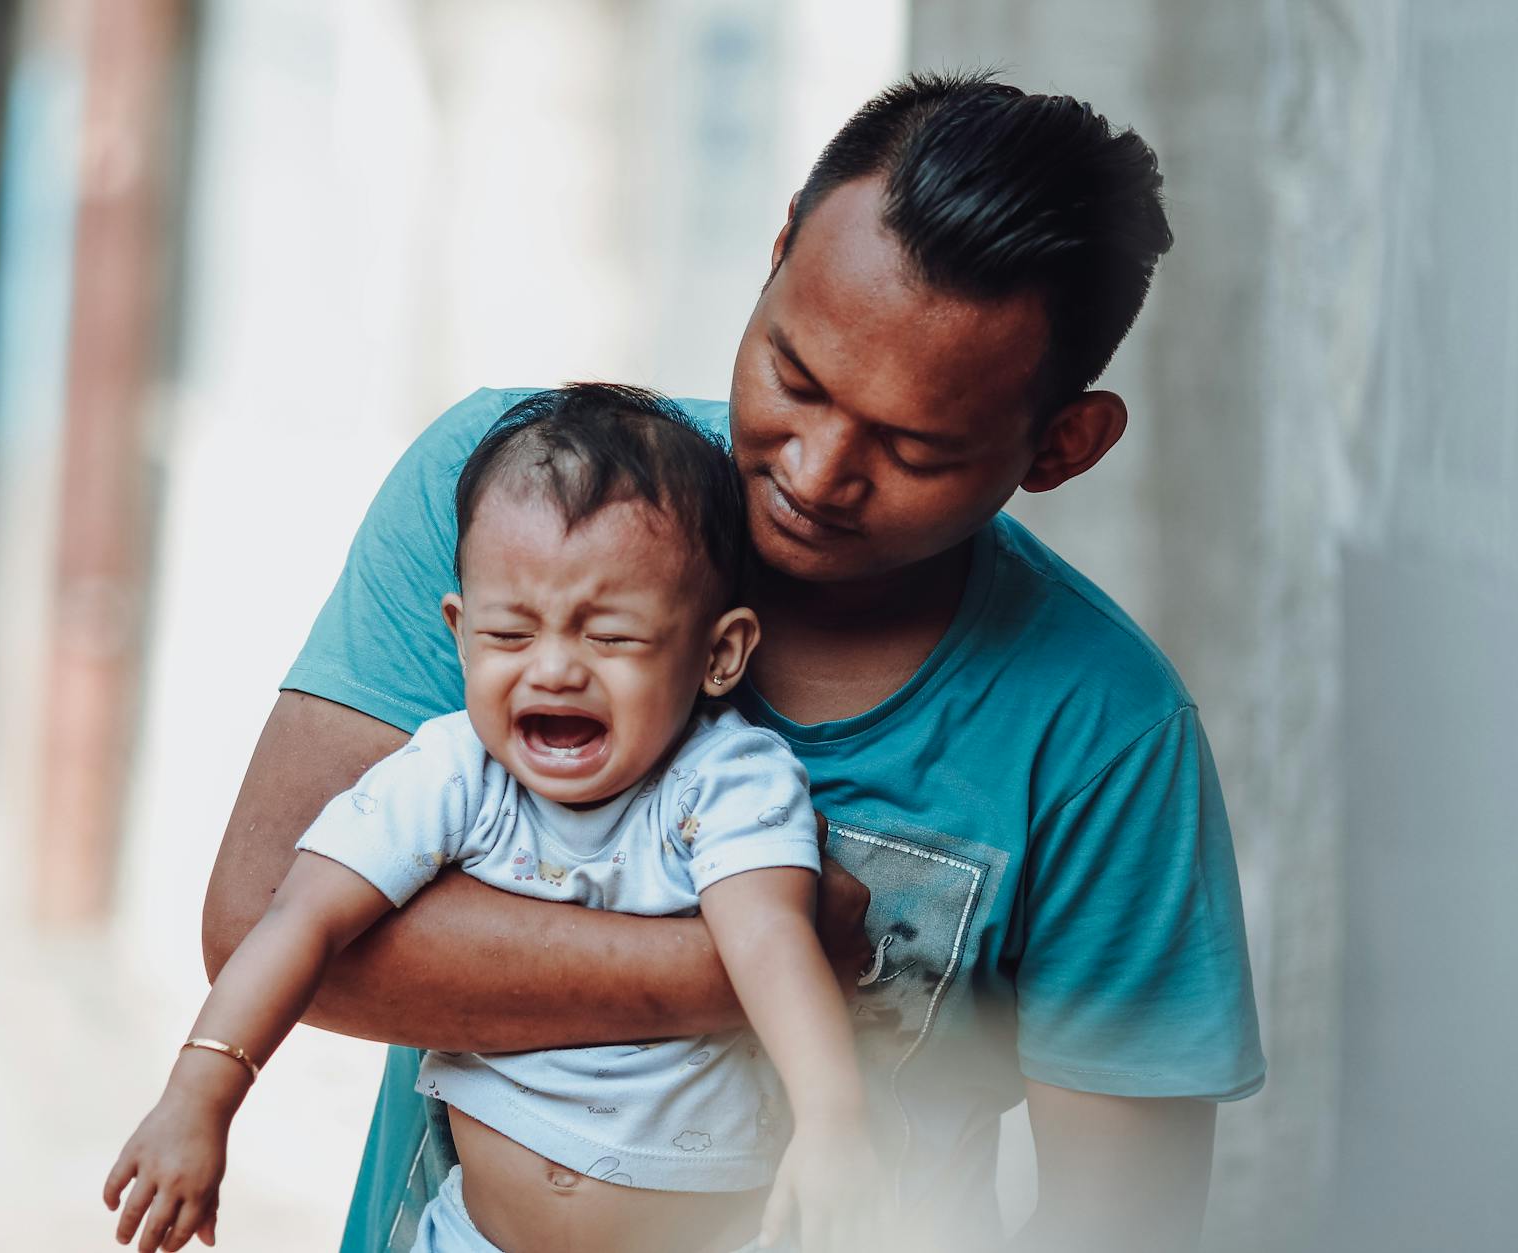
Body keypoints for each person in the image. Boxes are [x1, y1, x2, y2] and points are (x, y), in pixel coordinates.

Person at [204, 71, 1265, 1253]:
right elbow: (262, 924)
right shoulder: (518, 502)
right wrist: (752, 961)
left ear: (1062, 446)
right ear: (772, 262)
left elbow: (1113, 1226)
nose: (814, 470)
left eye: (912, 446)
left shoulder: (1104, 733)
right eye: (793, 377)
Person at [108, 386, 888, 1253]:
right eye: (511, 634)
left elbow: (775, 940)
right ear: (460, 631)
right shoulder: (452, 774)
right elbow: (299, 916)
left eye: (612, 638)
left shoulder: (726, 781)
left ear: (718, 653)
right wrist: (199, 1096)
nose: (554, 669)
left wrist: (832, 1125)